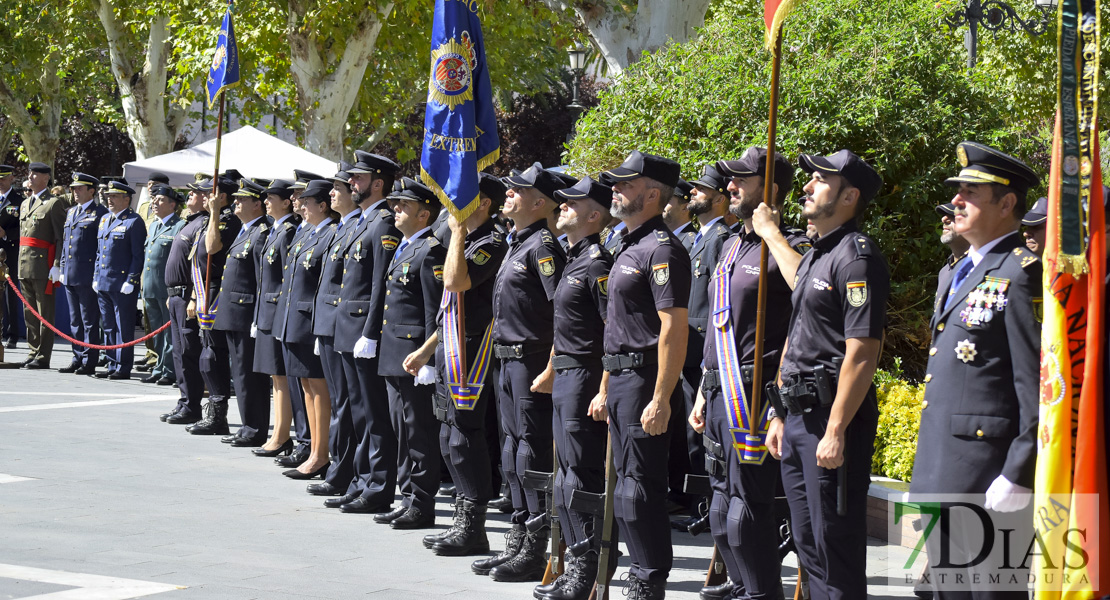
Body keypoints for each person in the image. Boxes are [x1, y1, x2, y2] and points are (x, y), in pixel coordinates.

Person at [909, 142, 1041, 599]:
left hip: (989, 476)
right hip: (942, 467)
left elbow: (1040, 384)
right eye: (957, 191)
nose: (958, 201)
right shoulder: (956, 272)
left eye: (971, 192)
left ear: (1007, 204)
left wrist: (1019, 473)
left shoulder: (1024, 273)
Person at [760, 149, 888, 600]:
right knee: (808, 543)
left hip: (829, 420)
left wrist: (835, 429)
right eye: (810, 178)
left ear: (849, 195)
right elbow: (800, 336)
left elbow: (862, 351)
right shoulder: (820, 253)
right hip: (797, 419)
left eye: (821, 181)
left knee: (835, 547)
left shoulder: (857, 258)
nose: (809, 186)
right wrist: (779, 415)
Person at [689, 147, 808, 600]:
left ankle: (762, 592)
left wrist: (772, 233)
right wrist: (703, 388)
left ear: (771, 190)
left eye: (742, 178)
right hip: (718, 388)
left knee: (747, 506)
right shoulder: (729, 243)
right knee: (720, 504)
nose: (731, 185)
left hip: (756, 390)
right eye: (730, 178)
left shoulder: (791, 242)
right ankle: (741, 585)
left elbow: (810, 292)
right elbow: (718, 323)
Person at [590, 150, 690, 599]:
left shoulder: (663, 249)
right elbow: (619, 327)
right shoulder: (628, 244)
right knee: (625, 486)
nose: (616, 188)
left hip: (644, 380)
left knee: (640, 489)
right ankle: (634, 573)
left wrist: (662, 397)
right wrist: (605, 386)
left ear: (652, 194)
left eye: (626, 184)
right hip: (621, 379)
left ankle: (647, 582)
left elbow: (672, 327)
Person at [413, 175, 508, 558]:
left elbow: (455, 283)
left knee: (464, 437)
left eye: (461, 199)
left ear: (483, 204)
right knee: (447, 433)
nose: (452, 206)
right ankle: (462, 521)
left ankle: (474, 526)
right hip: (450, 345)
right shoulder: (467, 237)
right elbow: (449, 311)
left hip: (472, 350)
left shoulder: (491, 241)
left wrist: (455, 234)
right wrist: (425, 350)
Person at [532, 176, 614, 600]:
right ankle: (572, 556)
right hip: (566, 373)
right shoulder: (575, 257)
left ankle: (588, 566)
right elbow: (565, 327)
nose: (562, 205)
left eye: (573, 202)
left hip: (585, 375)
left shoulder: (598, 262)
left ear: (594, 215)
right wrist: (549, 368)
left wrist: (603, 388)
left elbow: (610, 330)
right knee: (565, 473)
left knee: (581, 474)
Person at [484, 163, 567, 582]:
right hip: (507, 358)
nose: (510, 193)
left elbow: (562, 313)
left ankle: (536, 547)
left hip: (532, 360)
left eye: (519, 190)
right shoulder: (517, 242)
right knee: (512, 448)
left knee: (531, 449)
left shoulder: (544, 247)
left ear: (540, 202)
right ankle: (517, 536)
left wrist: (552, 365)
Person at [321, 153, 401, 514]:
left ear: (378, 183)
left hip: (363, 333)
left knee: (373, 414)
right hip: (347, 329)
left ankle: (379, 485)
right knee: (357, 411)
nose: (351, 183)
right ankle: (361, 479)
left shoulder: (383, 223)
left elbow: (380, 284)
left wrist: (370, 333)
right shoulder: (363, 222)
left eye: (358, 178)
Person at [374, 180, 446, 529]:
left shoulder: (431, 250)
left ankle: (422, 502)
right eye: (395, 204)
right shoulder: (405, 248)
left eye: (404, 205)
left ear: (424, 214)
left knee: (419, 432)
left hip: (415, 357)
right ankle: (408, 497)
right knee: (402, 430)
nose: (396, 210)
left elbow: (436, 312)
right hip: (395, 355)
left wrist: (429, 360)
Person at [674, 165, 732, 525]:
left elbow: (717, 303)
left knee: (702, 433)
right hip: (689, 349)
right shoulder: (699, 237)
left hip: (704, 351)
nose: (693, 193)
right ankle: (697, 504)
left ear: (720, 197)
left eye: (701, 189)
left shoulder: (720, 238)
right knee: (691, 431)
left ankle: (704, 507)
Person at [309, 162, 369, 499]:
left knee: (349, 405)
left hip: (346, 327)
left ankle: (345, 471)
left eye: (338, 189)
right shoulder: (340, 228)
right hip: (331, 326)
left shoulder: (359, 226)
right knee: (341, 403)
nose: (332, 193)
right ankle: (340, 469)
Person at [273, 179, 337, 479]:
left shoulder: (330, 234)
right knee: (306, 386)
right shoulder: (307, 234)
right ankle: (313, 449)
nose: (300, 205)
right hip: (293, 321)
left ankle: (321, 453)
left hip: (310, 322)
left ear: (322, 205)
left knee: (318, 387)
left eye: (306, 202)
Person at [213, 180, 273, 446]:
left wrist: (258, 317)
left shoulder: (261, 233)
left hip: (246, 311)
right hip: (234, 310)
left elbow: (263, 279)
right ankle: (247, 423)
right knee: (239, 373)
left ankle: (254, 428)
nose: (236, 202)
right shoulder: (245, 230)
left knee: (249, 374)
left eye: (242, 199)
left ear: (257, 204)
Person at [186, 176, 242, 435]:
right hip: (204, 292)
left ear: (222, 197)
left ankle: (218, 415)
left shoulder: (229, 220)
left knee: (214, 356)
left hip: (219, 294)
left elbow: (211, 248)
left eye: (210, 192)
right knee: (207, 354)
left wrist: (216, 213)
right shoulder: (211, 219)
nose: (205, 197)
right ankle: (213, 411)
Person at [251, 179, 301, 457]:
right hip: (267, 311)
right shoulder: (275, 230)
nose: (266, 202)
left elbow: (286, 280)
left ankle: (282, 435)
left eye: (272, 197)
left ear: (285, 203)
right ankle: (278, 432)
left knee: (281, 377)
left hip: (277, 310)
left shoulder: (288, 232)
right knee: (275, 376)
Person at [161, 181, 211, 424]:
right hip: (176, 295)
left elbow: (200, 265)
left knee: (188, 351)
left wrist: (191, 296)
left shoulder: (203, 224)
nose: (190, 194)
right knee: (180, 353)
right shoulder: (189, 223)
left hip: (187, 295)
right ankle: (184, 402)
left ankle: (192, 405)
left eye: (197, 192)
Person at [92, 180, 147, 380]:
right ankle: (111, 363)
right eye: (109, 196)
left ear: (127, 198)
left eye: (114, 196)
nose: (110, 199)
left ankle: (123, 367)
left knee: (122, 327)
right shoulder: (105, 219)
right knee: (107, 325)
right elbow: (100, 252)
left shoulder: (133, 221)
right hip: (104, 281)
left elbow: (137, 255)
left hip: (122, 283)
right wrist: (96, 276)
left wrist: (131, 280)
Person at [57, 173, 108, 375]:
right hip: (70, 273)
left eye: (79, 188)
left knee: (89, 320)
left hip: (87, 274)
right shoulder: (71, 213)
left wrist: (97, 273)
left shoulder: (100, 213)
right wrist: (61, 266)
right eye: (73, 188)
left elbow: (101, 247)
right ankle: (77, 356)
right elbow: (66, 242)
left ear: (91, 191)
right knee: (74, 320)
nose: (75, 192)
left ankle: (89, 360)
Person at [18, 162, 66, 369]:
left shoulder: (53, 203)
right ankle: (32, 349)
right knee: (29, 311)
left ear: (46, 178)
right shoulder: (25, 203)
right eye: (30, 173)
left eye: (35, 174)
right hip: (24, 263)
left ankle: (43, 355)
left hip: (42, 265)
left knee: (44, 312)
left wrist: (57, 265)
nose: (31, 176)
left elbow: (60, 237)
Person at [139, 185, 185, 385]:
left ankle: (169, 370)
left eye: (159, 200)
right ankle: (159, 366)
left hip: (166, 289)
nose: (154, 204)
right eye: (154, 200)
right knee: (155, 331)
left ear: (172, 204)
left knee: (168, 332)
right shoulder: (154, 225)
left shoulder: (179, 226)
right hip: (150, 287)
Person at [135, 171, 172, 373]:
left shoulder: (176, 216)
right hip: (147, 270)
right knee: (149, 318)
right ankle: (152, 354)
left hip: (162, 274)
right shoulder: (143, 208)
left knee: (163, 321)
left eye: (155, 184)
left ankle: (163, 361)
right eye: (149, 184)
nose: (150, 188)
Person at [0, 164, 22, 348]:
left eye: (4, 178)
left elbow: (24, 228)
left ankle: (12, 334)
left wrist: (5, 234)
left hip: (10, 252)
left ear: (12, 178)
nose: (0, 182)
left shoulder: (19, 201)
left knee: (11, 294)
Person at [663, 179, 697, 253]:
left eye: (668, 201)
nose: (662, 204)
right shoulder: (663, 237)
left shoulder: (691, 243)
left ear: (685, 208)